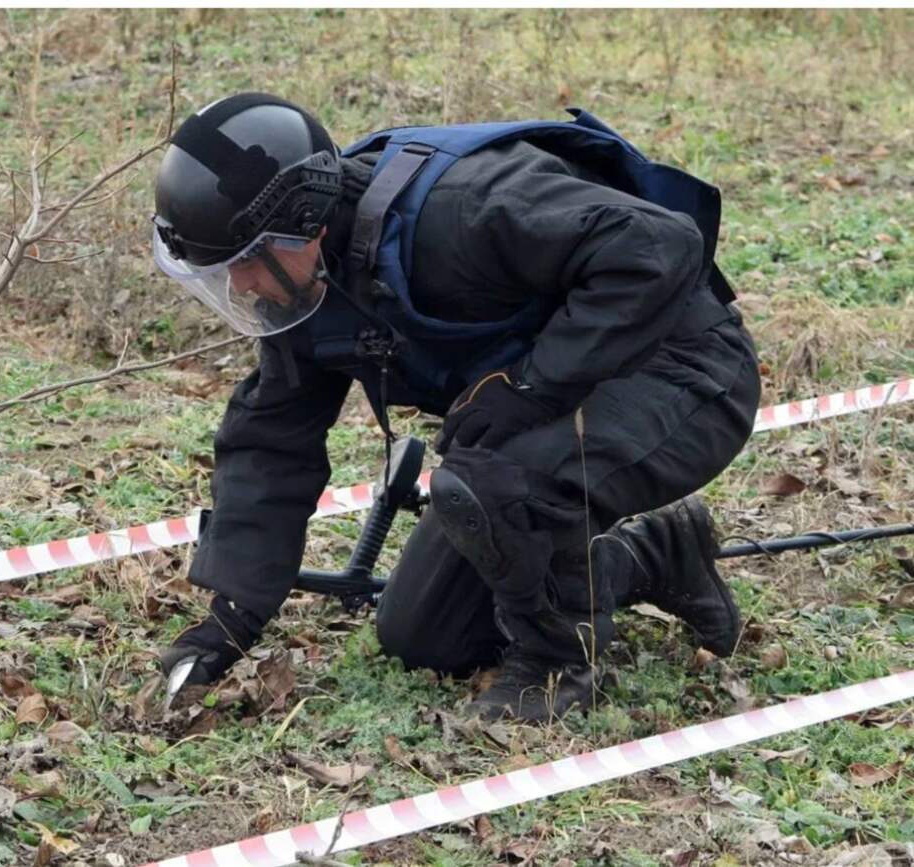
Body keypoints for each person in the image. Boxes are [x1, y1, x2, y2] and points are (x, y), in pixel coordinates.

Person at [151, 92, 761, 722]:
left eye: (248, 260)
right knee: (424, 636)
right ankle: (657, 554)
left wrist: (532, 385)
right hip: (559, 399)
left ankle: (556, 666)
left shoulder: (466, 206)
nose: (243, 285)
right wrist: (232, 616)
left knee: (492, 484)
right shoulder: (308, 282)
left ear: (309, 219)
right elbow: (272, 440)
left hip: (686, 370)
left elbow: (661, 247)